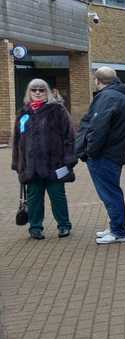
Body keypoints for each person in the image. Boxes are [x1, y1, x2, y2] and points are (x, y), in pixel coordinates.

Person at [75, 66, 125, 244]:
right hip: (115, 153)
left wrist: (89, 152)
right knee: (111, 193)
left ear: (97, 81)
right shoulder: (122, 96)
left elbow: (97, 127)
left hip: (105, 155)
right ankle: (115, 227)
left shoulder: (107, 97)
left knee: (110, 194)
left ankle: (118, 231)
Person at [11, 79, 77, 240]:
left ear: (47, 92)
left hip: (55, 165)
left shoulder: (57, 111)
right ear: (29, 92)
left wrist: (68, 159)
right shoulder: (23, 113)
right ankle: (35, 228)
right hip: (31, 167)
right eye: (34, 90)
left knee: (58, 196)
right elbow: (17, 141)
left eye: (42, 89)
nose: (38, 92)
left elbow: (70, 136)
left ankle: (64, 225)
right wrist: (18, 163)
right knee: (34, 199)